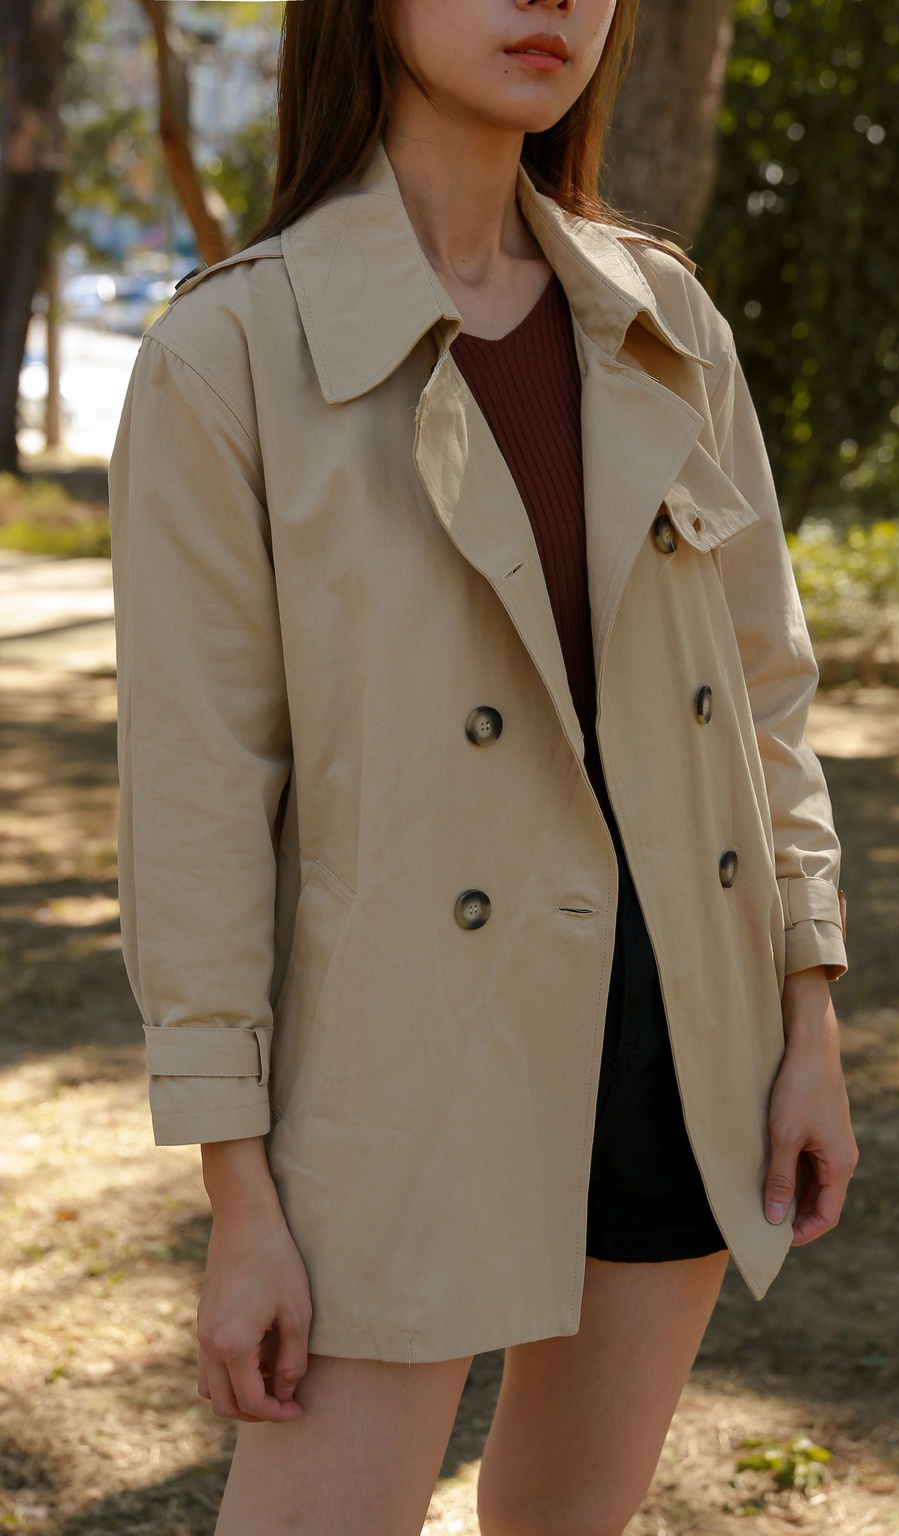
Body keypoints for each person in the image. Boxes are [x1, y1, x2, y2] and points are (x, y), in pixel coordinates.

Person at [108, 0, 858, 1531]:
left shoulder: (663, 318)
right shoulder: (230, 354)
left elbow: (765, 693)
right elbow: (199, 808)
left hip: (676, 1038)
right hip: (394, 1066)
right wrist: (237, 1191)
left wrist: (810, 1011)